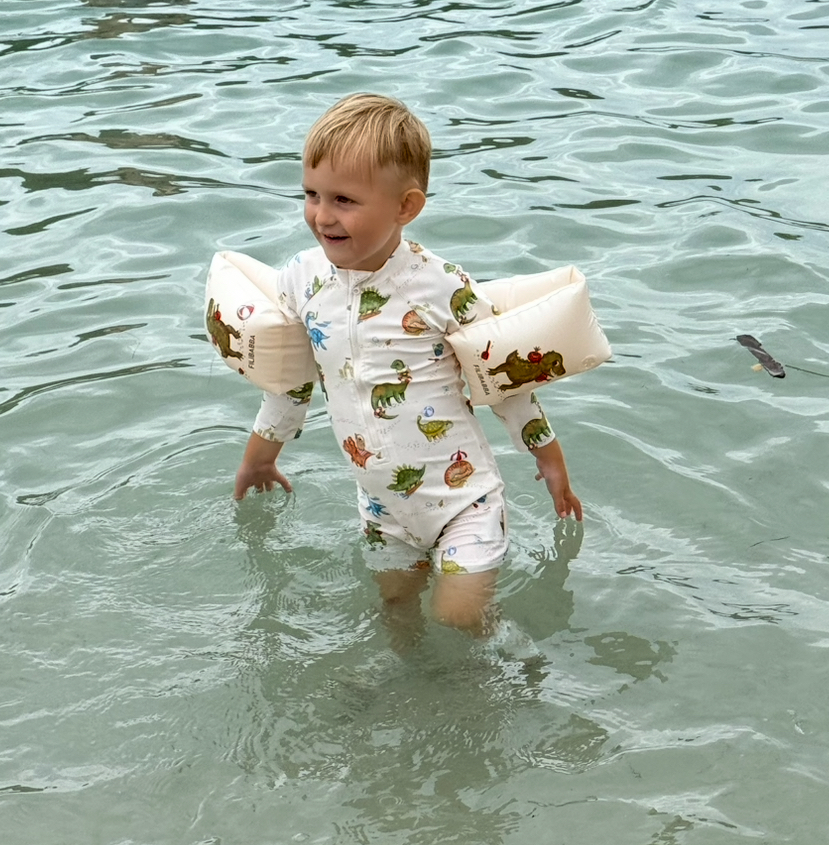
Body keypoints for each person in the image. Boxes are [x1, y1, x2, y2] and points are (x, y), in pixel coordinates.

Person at [233, 93, 581, 640]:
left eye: (344, 200)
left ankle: (513, 669)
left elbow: (504, 380)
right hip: (382, 508)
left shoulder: (441, 286)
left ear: (406, 207)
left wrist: (550, 460)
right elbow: (289, 380)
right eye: (311, 194)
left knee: (457, 617)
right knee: (397, 617)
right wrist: (260, 458)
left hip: (465, 501)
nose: (322, 216)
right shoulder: (301, 279)